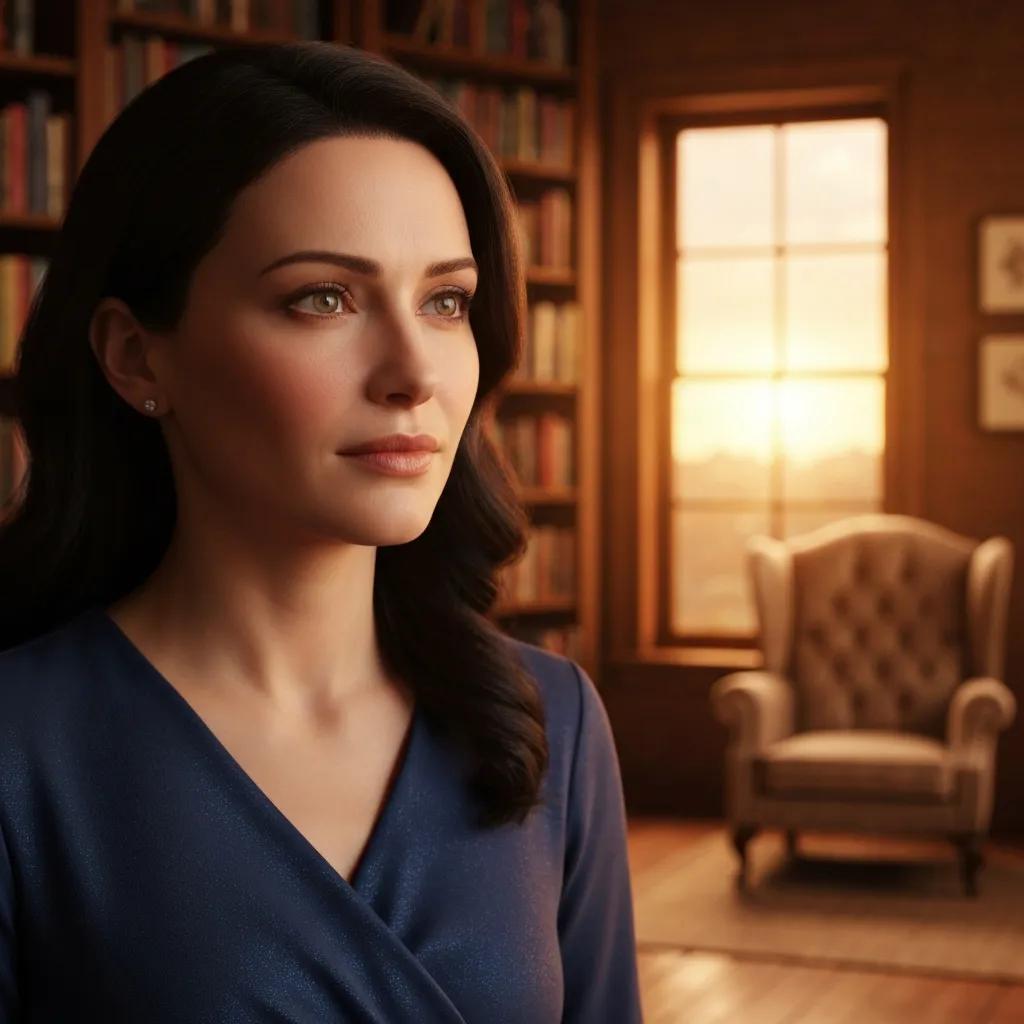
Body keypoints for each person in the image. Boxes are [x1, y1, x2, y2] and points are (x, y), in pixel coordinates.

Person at [0, 40, 643, 1022]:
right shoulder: (20, 746)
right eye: (323, 298)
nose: (413, 373)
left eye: (445, 301)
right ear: (136, 358)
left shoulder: (551, 719)